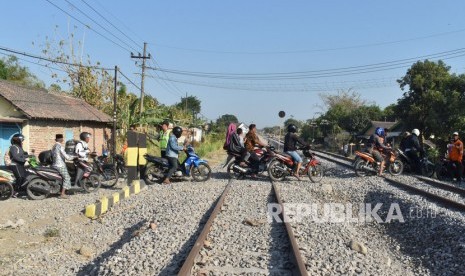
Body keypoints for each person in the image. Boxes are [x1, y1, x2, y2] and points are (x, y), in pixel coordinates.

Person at [51, 134, 74, 199]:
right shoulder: (60, 146)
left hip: (54, 165)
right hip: (60, 165)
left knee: (62, 177)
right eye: (62, 138)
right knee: (67, 178)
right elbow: (67, 157)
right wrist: (74, 157)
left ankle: (64, 190)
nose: (63, 139)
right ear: (61, 139)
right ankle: (62, 194)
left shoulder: (54, 146)